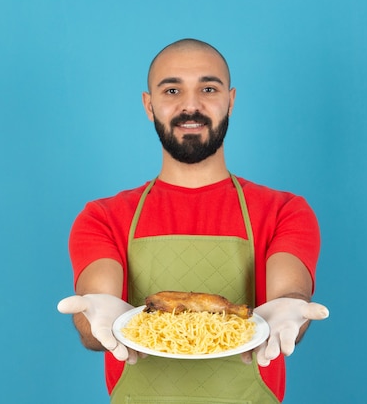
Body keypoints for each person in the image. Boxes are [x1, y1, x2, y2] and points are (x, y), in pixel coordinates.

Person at [57, 38, 329, 403]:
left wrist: (291, 309)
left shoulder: (284, 211)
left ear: (230, 100)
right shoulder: (104, 217)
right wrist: (94, 316)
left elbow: (289, 294)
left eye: (208, 88)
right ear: (148, 105)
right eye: (172, 89)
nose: (190, 105)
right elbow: (96, 314)